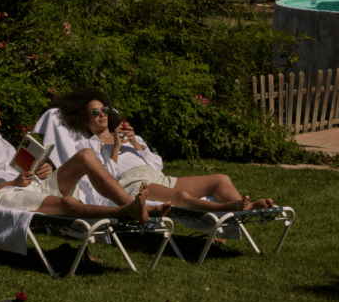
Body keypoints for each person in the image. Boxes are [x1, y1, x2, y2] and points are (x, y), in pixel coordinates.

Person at [0, 93, 172, 222]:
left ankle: (132, 205)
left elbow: (19, 167)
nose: (0, 123)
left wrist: (41, 168)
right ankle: (125, 212)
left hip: (34, 184)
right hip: (6, 194)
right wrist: (13, 183)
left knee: (85, 155)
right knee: (66, 204)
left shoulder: (0, 143)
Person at [57, 88, 275, 211]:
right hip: (134, 185)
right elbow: (105, 179)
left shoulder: (127, 134)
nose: (101, 115)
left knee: (221, 179)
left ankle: (243, 210)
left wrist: (135, 144)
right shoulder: (89, 145)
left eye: (103, 110)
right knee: (179, 197)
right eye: (94, 113)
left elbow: (156, 164)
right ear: (85, 121)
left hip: (159, 177)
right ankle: (228, 209)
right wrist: (115, 149)